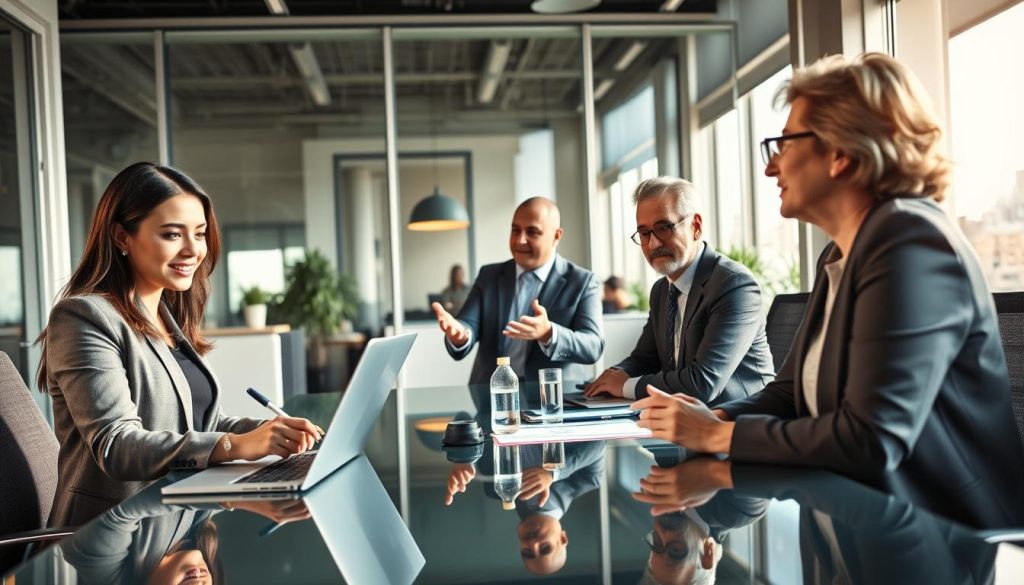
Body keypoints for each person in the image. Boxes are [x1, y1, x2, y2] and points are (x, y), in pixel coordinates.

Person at [631, 53, 1024, 529]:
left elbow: (871, 440)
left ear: (841, 152)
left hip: (945, 537)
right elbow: (790, 393)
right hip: (856, 521)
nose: (771, 167)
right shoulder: (839, 254)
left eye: (784, 143)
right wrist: (708, 417)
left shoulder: (911, 245)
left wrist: (721, 436)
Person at [37, 162, 321, 527]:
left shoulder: (167, 316)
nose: (193, 250)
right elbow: (117, 445)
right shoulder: (83, 317)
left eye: (200, 233)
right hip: (111, 532)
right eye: (172, 235)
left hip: (176, 516)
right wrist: (238, 446)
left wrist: (270, 433)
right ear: (122, 237)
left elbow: (199, 422)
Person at [585, 177, 774, 405]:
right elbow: (645, 359)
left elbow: (702, 383)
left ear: (695, 227)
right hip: (682, 422)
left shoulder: (733, 285)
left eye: (664, 228)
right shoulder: (661, 290)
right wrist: (614, 376)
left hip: (737, 424)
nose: (653, 244)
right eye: (644, 233)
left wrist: (624, 386)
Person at [432, 197, 604, 383]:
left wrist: (548, 333)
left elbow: (593, 346)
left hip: (555, 399)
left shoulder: (583, 282)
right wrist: (461, 335)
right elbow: (467, 325)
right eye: (515, 230)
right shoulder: (489, 275)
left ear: (556, 236)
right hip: (492, 396)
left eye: (532, 232)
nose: (520, 240)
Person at [444, 440, 605, 575]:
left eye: (527, 552)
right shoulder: (587, 480)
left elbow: (463, 418)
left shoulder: (493, 489)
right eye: (545, 548)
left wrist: (463, 458)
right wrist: (552, 473)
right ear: (562, 538)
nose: (532, 544)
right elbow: (598, 443)